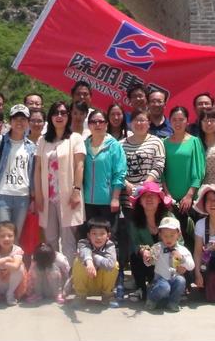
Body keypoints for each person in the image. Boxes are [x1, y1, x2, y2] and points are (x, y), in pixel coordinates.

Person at [36, 101, 87, 261]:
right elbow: (38, 169)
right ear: (50, 117)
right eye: (55, 113)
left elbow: (80, 166)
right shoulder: (43, 140)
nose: (59, 116)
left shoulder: (75, 138)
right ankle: (54, 273)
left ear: (68, 116)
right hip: (48, 197)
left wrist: (76, 191)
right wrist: (38, 195)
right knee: (50, 238)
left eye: (63, 113)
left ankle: (68, 274)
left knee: (68, 240)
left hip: (68, 195)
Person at [0, 104, 36, 238]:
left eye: (23, 119)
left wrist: (33, 197)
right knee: (2, 235)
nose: (19, 122)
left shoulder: (31, 146)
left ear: (28, 122)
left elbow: (32, 173)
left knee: (15, 237)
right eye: (16, 119)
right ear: (10, 121)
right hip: (1, 194)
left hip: (23, 196)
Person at [127, 180, 178, 303]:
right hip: (148, 260)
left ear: (159, 200)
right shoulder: (134, 220)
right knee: (135, 256)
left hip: (167, 260)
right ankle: (141, 288)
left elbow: (179, 241)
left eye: (153, 196)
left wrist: (172, 251)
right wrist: (143, 251)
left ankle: (174, 287)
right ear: (140, 201)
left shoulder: (169, 217)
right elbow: (134, 243)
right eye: (145, 196)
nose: (149, 198)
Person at [80, 109, 126, 238]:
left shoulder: (114, 146)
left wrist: (115, 198)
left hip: (108, 201)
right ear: (89, 125)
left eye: (101, 121)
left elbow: (120, 173)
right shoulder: (84, 145)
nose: (97, 124)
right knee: (89, 237)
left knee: (109, 238)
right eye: (93, 122)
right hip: (87, 201)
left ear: (106, 124)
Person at [162, 106, 204, 226]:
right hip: (170, 200)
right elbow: (162, 172)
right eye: (174, 119)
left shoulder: (195, 141)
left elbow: (199, 171)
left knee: (191, 232)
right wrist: (167, 194)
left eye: (181, 119)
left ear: (187, 121)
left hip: (190, 200)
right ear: (170, 121)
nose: (178, 123)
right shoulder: (164, 142)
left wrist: (189, 195)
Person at [142, 216, 192, 312]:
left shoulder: (182, 250)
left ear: (179, 234)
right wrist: (148, 259)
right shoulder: (157, 247)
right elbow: (149, 263)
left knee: (181, 280)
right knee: (164, 286)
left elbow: (191, 266)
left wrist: (182, 259)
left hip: (174, 278)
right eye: (165, 235)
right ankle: (152, 299)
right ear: (160, 235)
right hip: (160, 279)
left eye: (172, 235)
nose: (168, 239)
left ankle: (173, 303)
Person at [71, 217, 119, 307]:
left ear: (108, 236)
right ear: (88, 235)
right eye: (94, 233)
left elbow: (109, 264)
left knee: (115, 265)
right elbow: (85, 251)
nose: (98, 237)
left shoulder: (110, 245)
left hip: (101, 284)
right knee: (78, 261)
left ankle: (107, 296)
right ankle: (80, 296)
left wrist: (93, 256)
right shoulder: (83, 243)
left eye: (102, 234)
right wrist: (89, 262)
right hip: (87, 283)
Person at [121, 111, 165, 200]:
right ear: (130, 123)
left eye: (142, 120)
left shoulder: (156, 142)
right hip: (127, 196)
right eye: (135, 120)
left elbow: (159, 166)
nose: (138, 123)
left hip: (150, 196)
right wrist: (127, 184)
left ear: (149, 123)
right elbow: (116, 169)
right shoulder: (120, 145)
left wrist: (144, 186)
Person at [0, 221, 26, 305]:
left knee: (20, 267)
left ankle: (10, 294)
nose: (6, 239)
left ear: (14, 237)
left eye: (10, 236)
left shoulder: (17, 249)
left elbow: (16, 266)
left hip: (10, 283)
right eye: (2, 236)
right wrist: (6, 259)